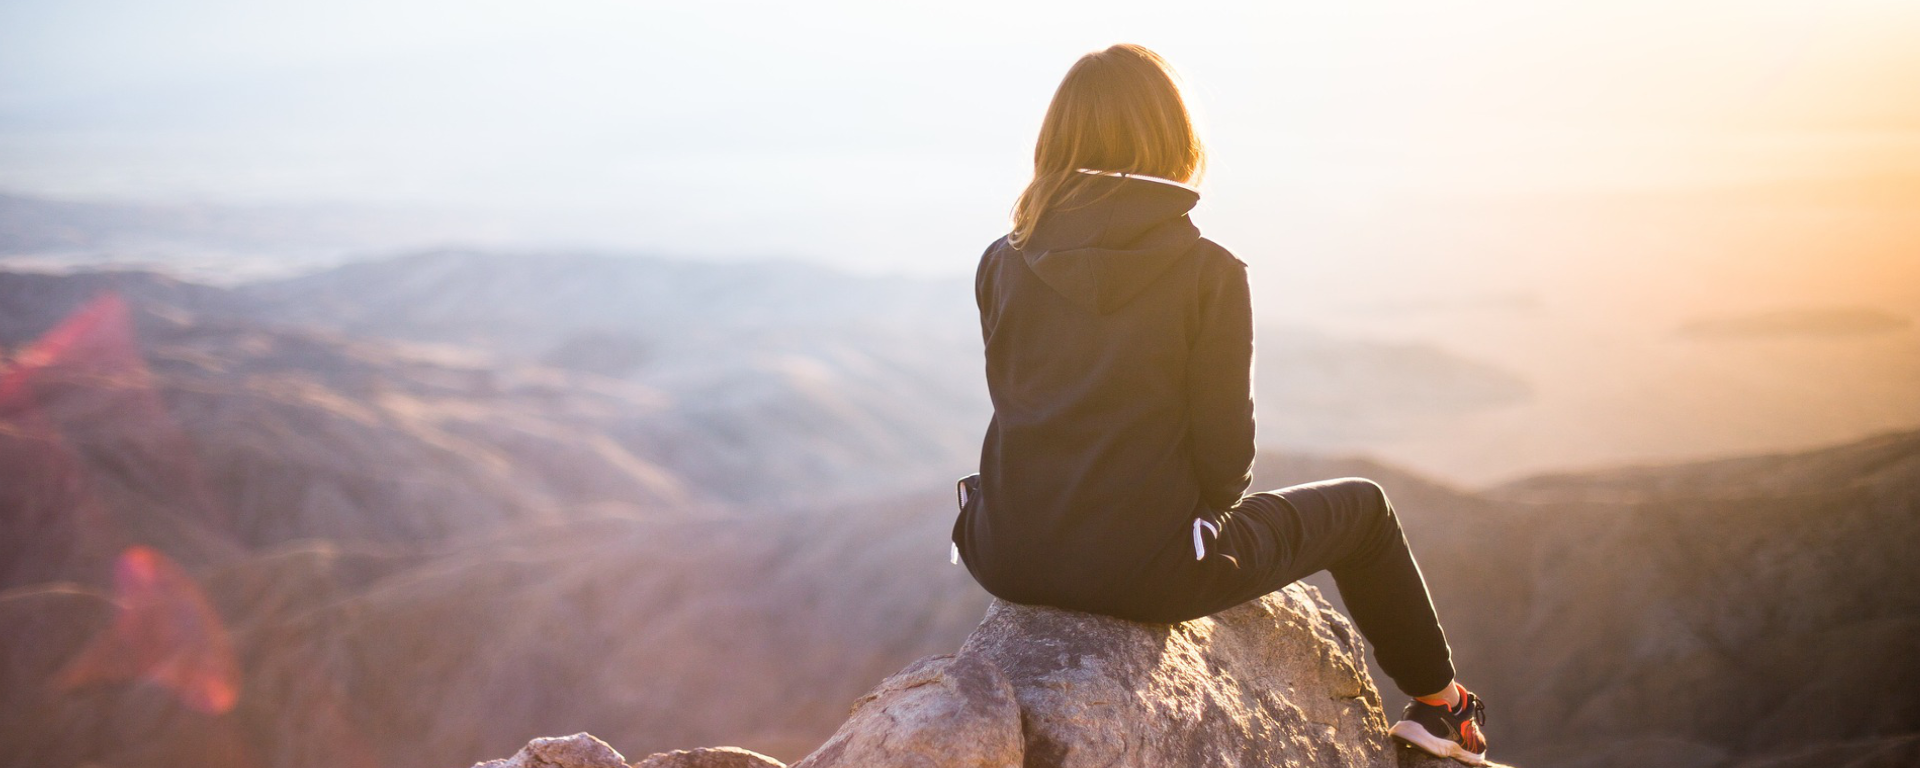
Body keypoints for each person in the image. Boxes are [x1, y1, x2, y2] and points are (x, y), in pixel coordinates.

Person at [948, 44, 1489, 765]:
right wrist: (1190, 529)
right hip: (1150, 571)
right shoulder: (1209, 273)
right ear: (1175, 139)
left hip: (1003, 550)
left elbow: (1023, 403)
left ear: (1058, 140)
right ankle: (1439, 707)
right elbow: (1226, 458)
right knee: (1364, 510)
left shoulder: (1001, 258)